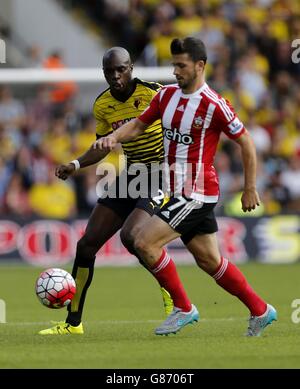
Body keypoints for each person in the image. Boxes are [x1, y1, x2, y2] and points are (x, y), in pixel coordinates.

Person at [94, 37, 277, 337]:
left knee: (144, 242)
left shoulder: (214, 104)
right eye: (173, 65)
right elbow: (139, 125)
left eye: (181, 65)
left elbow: (246, 141)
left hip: (195, 192)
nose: (175, 71)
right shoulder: (166, 96)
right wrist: (113, 138)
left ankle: (183, 308)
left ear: (200, 66)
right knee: (210, 261)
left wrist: (250, 187)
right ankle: (260, 310)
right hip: (175, 189)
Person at [38, 47, 178, 335]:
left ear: (131, 68)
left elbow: (182, 124)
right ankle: (73, 323)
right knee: (86, 244)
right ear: (103, 72)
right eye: (109, 71)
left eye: (121, 69)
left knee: (132, 236)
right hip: (133, 174)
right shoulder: (102, 105)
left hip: (161, 174)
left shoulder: (155, 93)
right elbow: (103, 147)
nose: (116, 76)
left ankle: (174, 297)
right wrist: (75, 164)